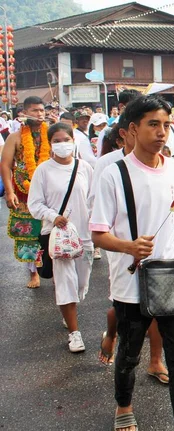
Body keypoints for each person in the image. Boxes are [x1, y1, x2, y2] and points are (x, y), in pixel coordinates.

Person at [90, 95, 174, 431]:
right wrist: (128, 246)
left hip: (167, 275)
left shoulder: (172, 167)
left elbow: (173, 207)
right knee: (129, 354)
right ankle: (124, 407)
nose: (162, 132)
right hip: (130, 280)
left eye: (166, 125)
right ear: (132, 129)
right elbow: (98, 234)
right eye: (153, 124)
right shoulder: (113, 174)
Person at [27, 123, 94, 353]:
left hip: (84, 236)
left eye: (66, 138)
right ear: (50, 143)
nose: (62, 144)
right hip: (57, 236)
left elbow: (93, 199)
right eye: (56, 140)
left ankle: (70, 307)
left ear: (73, 140)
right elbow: (34, 203)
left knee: (81, 284)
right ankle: (74, 334)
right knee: (65, 282)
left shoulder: (84, 167)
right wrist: (52, 216)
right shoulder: (43, 171)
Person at [1, 96, 50, 289]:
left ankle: (53, 270)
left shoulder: (51, 133)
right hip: (23, 192)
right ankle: (33, 273)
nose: (39, 114)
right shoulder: (15, 137)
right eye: (35, 110)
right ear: (24, 113)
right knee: (28, 234)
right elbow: (5, 166)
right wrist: (9, 192)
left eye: (41, 110)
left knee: (50, 230)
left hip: (48, 190)